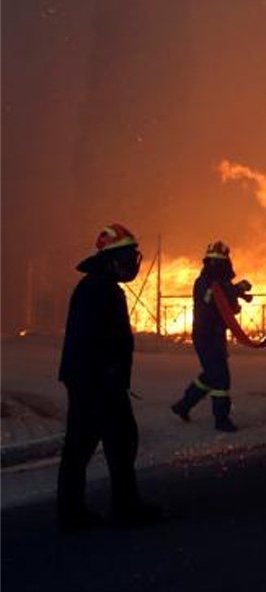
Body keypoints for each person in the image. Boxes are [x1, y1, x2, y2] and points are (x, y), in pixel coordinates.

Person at [56, 223, 164, 530]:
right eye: (129, 255)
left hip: (90, 379)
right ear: (112, 258)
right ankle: (124, 507)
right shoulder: (99, 290)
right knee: (120, 440)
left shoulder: (97, 287)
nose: (133, 262)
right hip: (98, 382)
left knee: (83, 445)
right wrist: (108, 376)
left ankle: (72, 512)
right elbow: (96, 340)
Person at [171, 241, 253, 432]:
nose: (217, 266)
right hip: (205, 335)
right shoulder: (203, 283)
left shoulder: (223, 283)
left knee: (211, 374)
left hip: (217, 335)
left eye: (221, 262)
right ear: (208, 262)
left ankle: (183, 405)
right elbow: (211, 299)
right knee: (221, 378)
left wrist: (237, 294)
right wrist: (236, 289)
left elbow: (231, 309)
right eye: (214, 262)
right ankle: (221, 419)